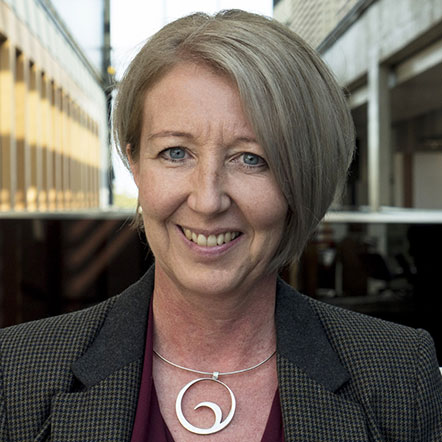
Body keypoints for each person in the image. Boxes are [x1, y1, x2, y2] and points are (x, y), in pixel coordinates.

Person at [1, 9, 441, 441]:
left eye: (251, 158)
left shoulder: (402, 375)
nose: (208, 200)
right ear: (134, 162)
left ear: (303, 178)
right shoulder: (17, 372)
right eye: (176, 153)